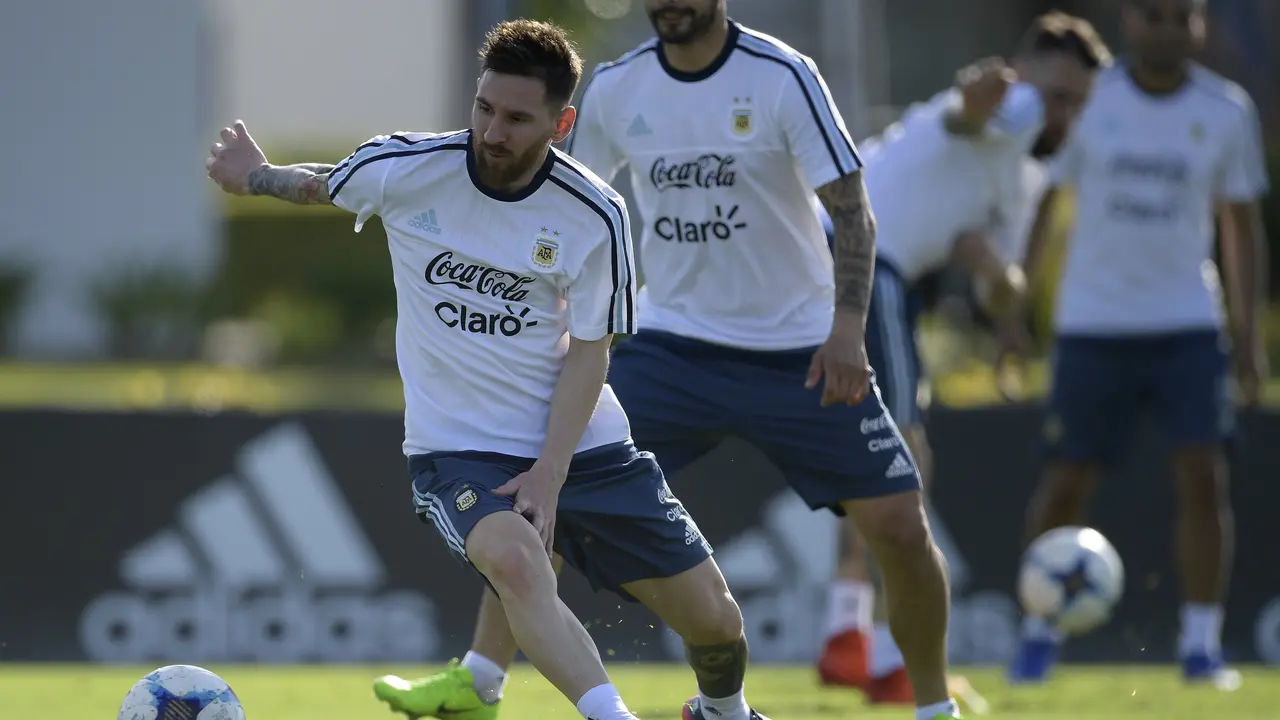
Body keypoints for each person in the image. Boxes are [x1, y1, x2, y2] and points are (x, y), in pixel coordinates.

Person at [375, 2, 965, 719]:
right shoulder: (620, 88)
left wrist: (848, 328)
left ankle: (934, 707)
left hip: (800, 352)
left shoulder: (783, 76)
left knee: (902, 524)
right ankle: (480, 681)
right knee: (540, 480)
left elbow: (852, 209)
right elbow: (550, 197)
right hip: (671, 345)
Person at [205, 19, 777, 720]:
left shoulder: (595, 214)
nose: (492, 132)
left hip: (585, 447)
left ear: (560, 123)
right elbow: (323, 186)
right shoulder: (408, 168)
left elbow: (592, 350)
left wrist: (551, 471)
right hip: (460, 450)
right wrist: (255, 175)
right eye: (484, 109)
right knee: (515, 564)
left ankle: (723, 714)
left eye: (516, 118)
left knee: (717, 624)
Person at [815, 13, 1112, 704]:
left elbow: (1003, 287)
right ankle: (891, 661)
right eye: (1054, 94)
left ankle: (846, 636)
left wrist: (990, 268)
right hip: (861, 261)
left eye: (1077, 102)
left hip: (862, 266)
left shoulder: (1023, 175)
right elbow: (970, 115)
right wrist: (981, 97)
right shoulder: (1007, 109)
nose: (1060, 112)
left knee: (873, 458)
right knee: (902, 461)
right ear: (1022, 74)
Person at [1007, 0, 1269, 689]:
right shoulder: (1093, 101)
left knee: (1203, 477)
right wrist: (1014, 310)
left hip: (1187, 324)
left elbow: (1241, 228)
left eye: (1180, 17)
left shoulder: (1226, 110)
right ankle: (1037, 631)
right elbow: (1043, 204)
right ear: (1130, 22)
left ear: (1199, 25)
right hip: (1092, 326)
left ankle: (1201, 646)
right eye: (1154, 16)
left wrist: (1248, 338)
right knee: (1065, 482)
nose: (1167, 29)